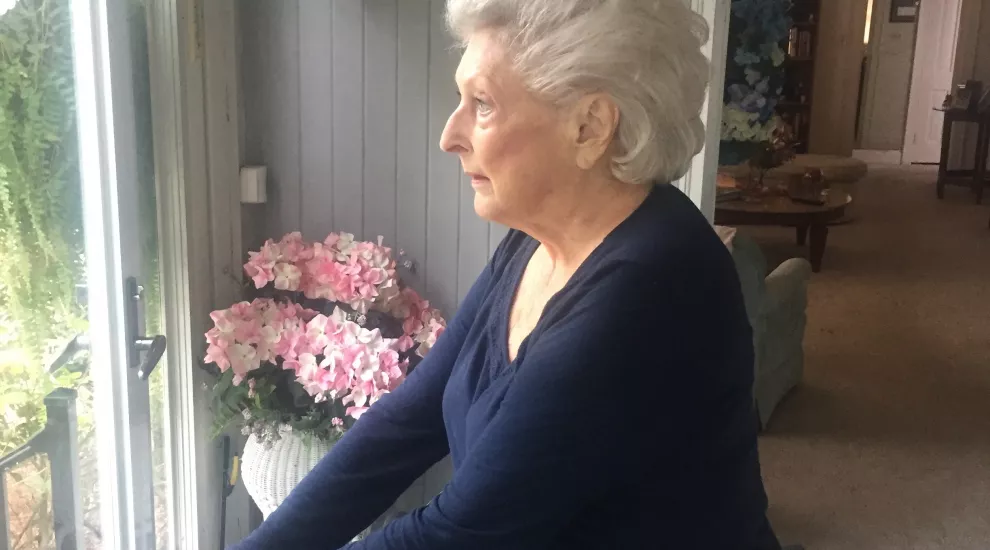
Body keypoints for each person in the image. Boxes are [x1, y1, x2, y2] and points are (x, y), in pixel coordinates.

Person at [233, 0, 781, 548]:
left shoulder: (654, 288)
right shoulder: (540, 239)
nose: (450, 136)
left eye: (483, 105)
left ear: (589, 127)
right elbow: (408, 421)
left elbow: (458, 534)